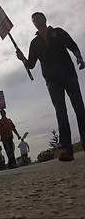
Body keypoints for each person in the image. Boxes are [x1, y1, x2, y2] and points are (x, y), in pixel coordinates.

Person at [16, 12, 85, 161]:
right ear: (33, 24)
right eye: (34, 20)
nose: (36, 21)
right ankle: (67, 149)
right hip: (52, 81)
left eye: (38, 18)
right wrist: (23, 59)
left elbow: (72, 45)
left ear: (45, 19)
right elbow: (31, 64)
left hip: (68, 74)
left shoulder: (58, 32)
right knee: (61, 112)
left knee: (79, 108)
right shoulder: (34, 43)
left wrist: (79, 58)